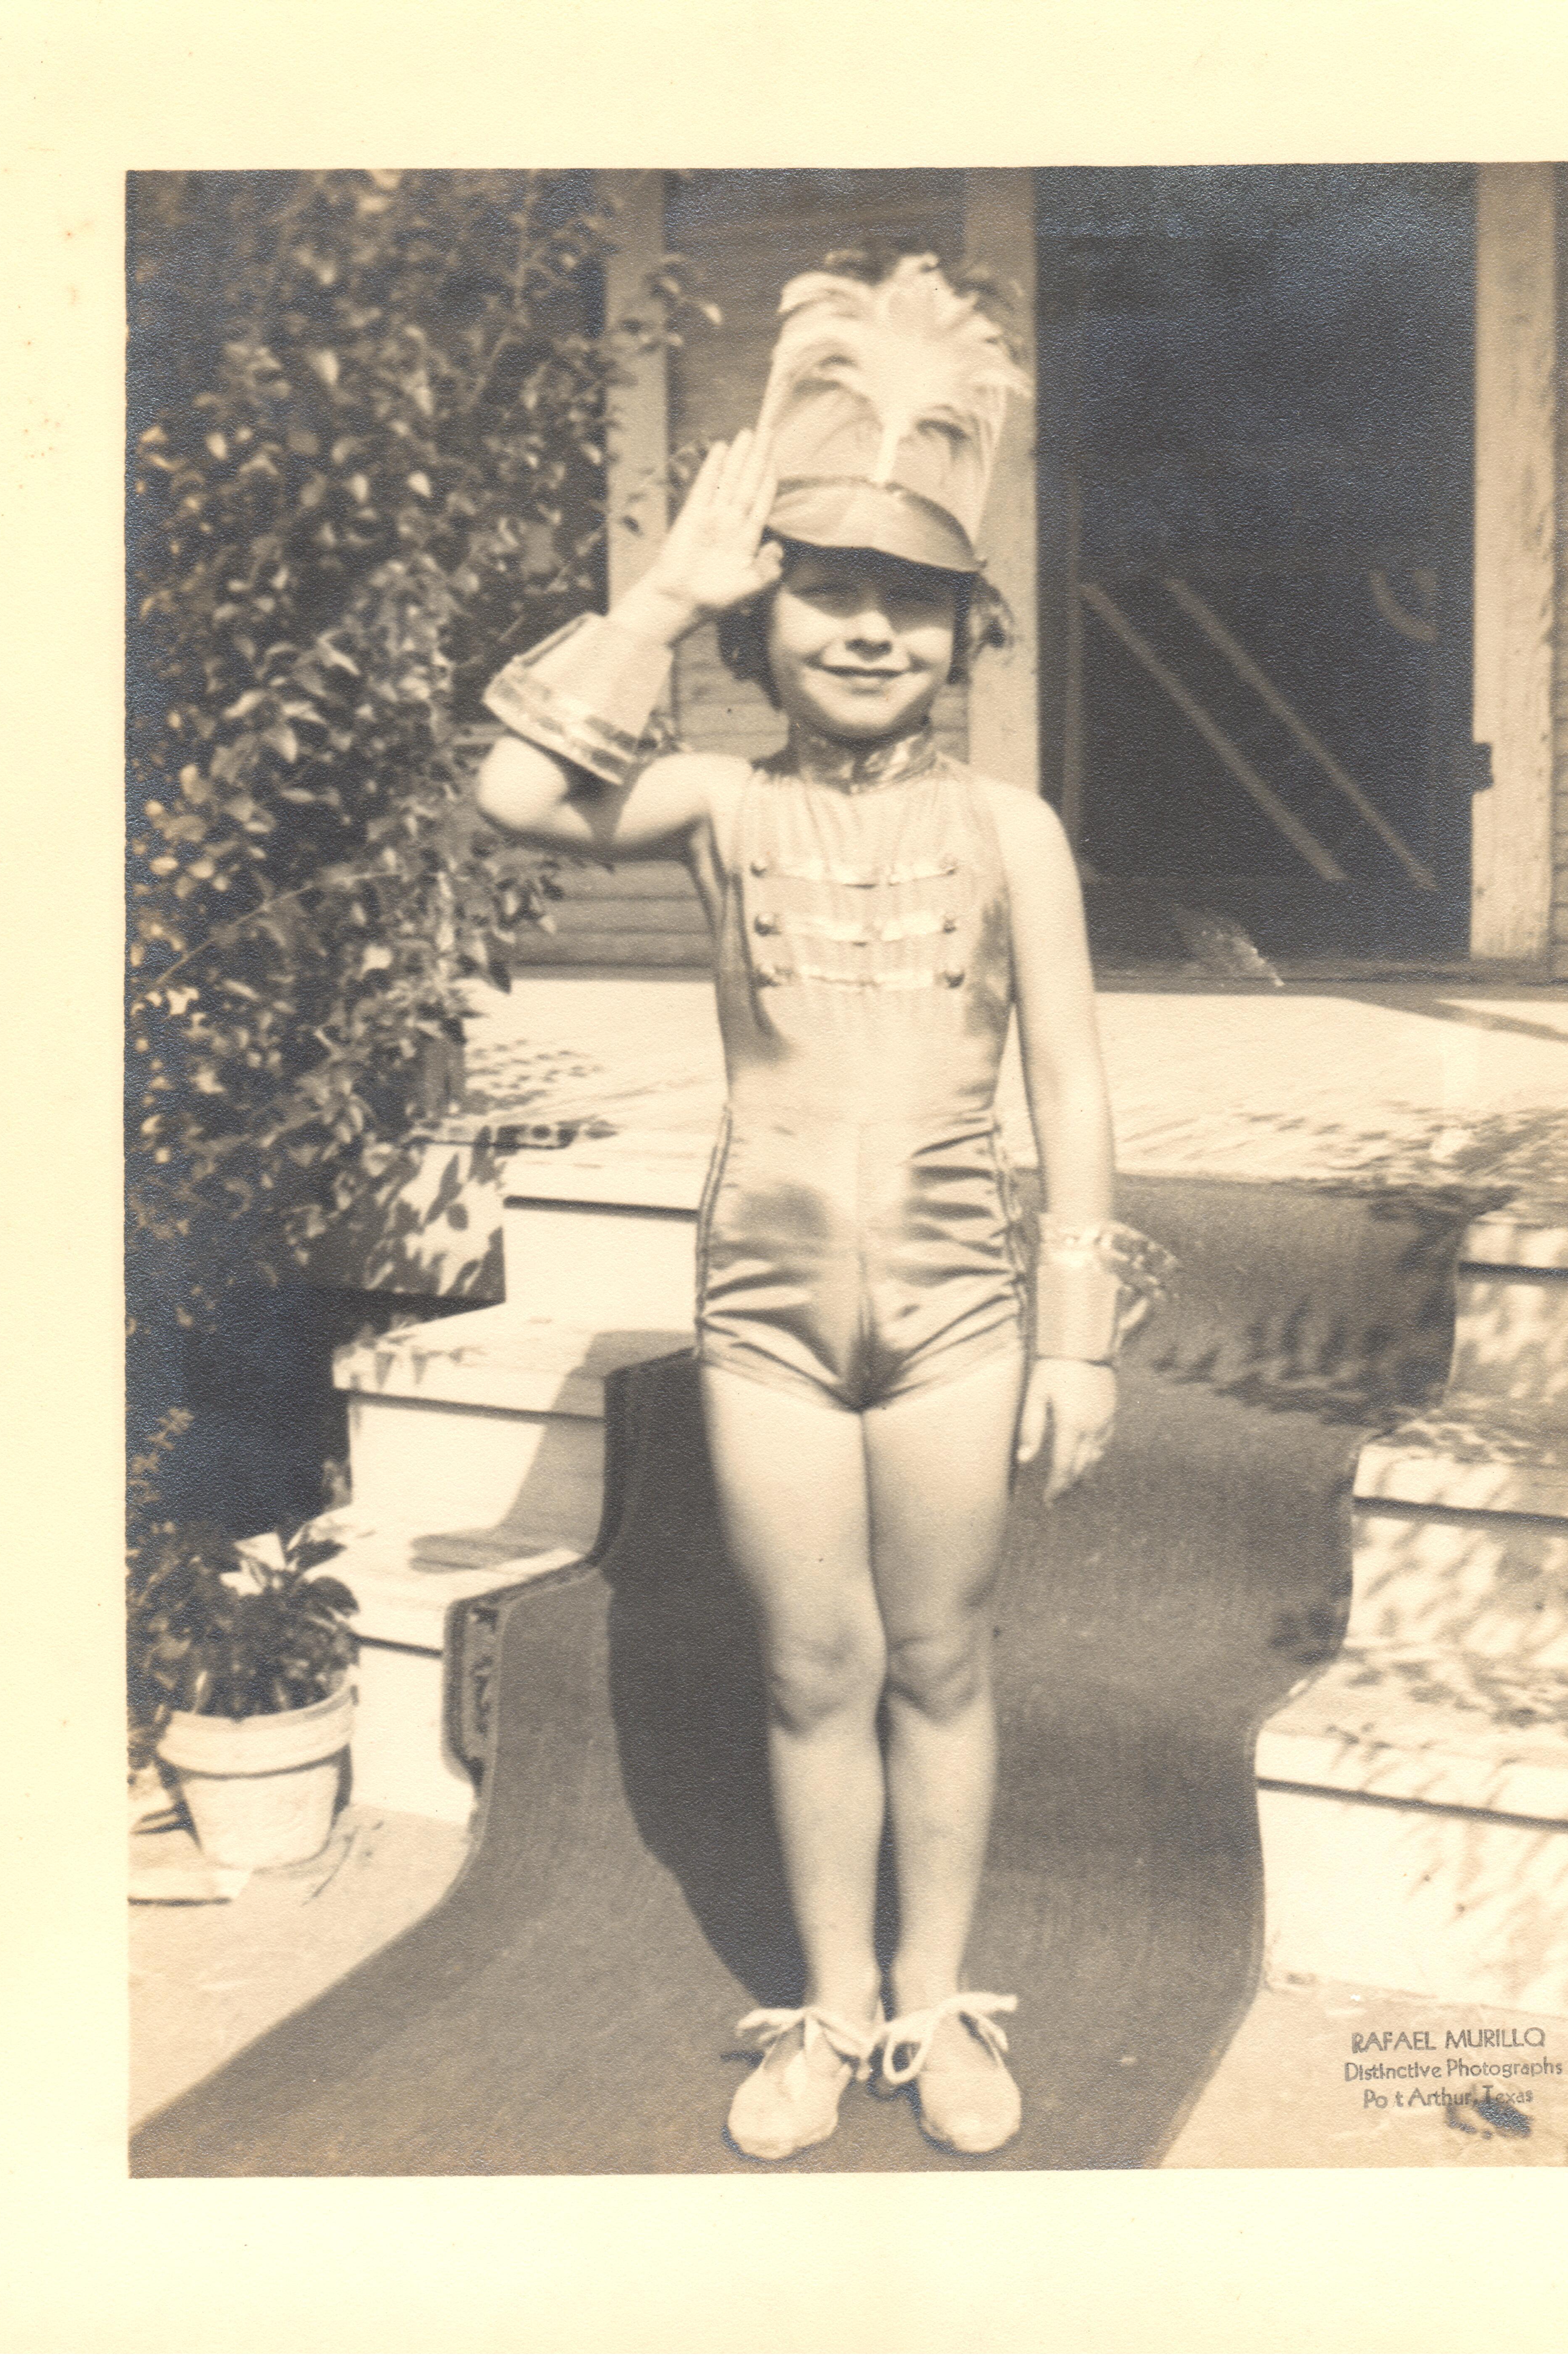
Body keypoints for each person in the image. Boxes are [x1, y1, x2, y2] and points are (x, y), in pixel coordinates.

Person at [476, 252, 1161, 2161]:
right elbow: (515, 795)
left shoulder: (1013, 830)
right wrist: (661, 595)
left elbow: (1072, 1086)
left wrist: (1080, 1339)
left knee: (939, 1658)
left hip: (957, 1309)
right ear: (767, 620)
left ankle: (933, 2006)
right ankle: (832, 2008)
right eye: (828, 593)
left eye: (912, 604)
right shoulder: (714, 806)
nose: (869, 633)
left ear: (966, 634)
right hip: (764, 1311)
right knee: (809, 1666)